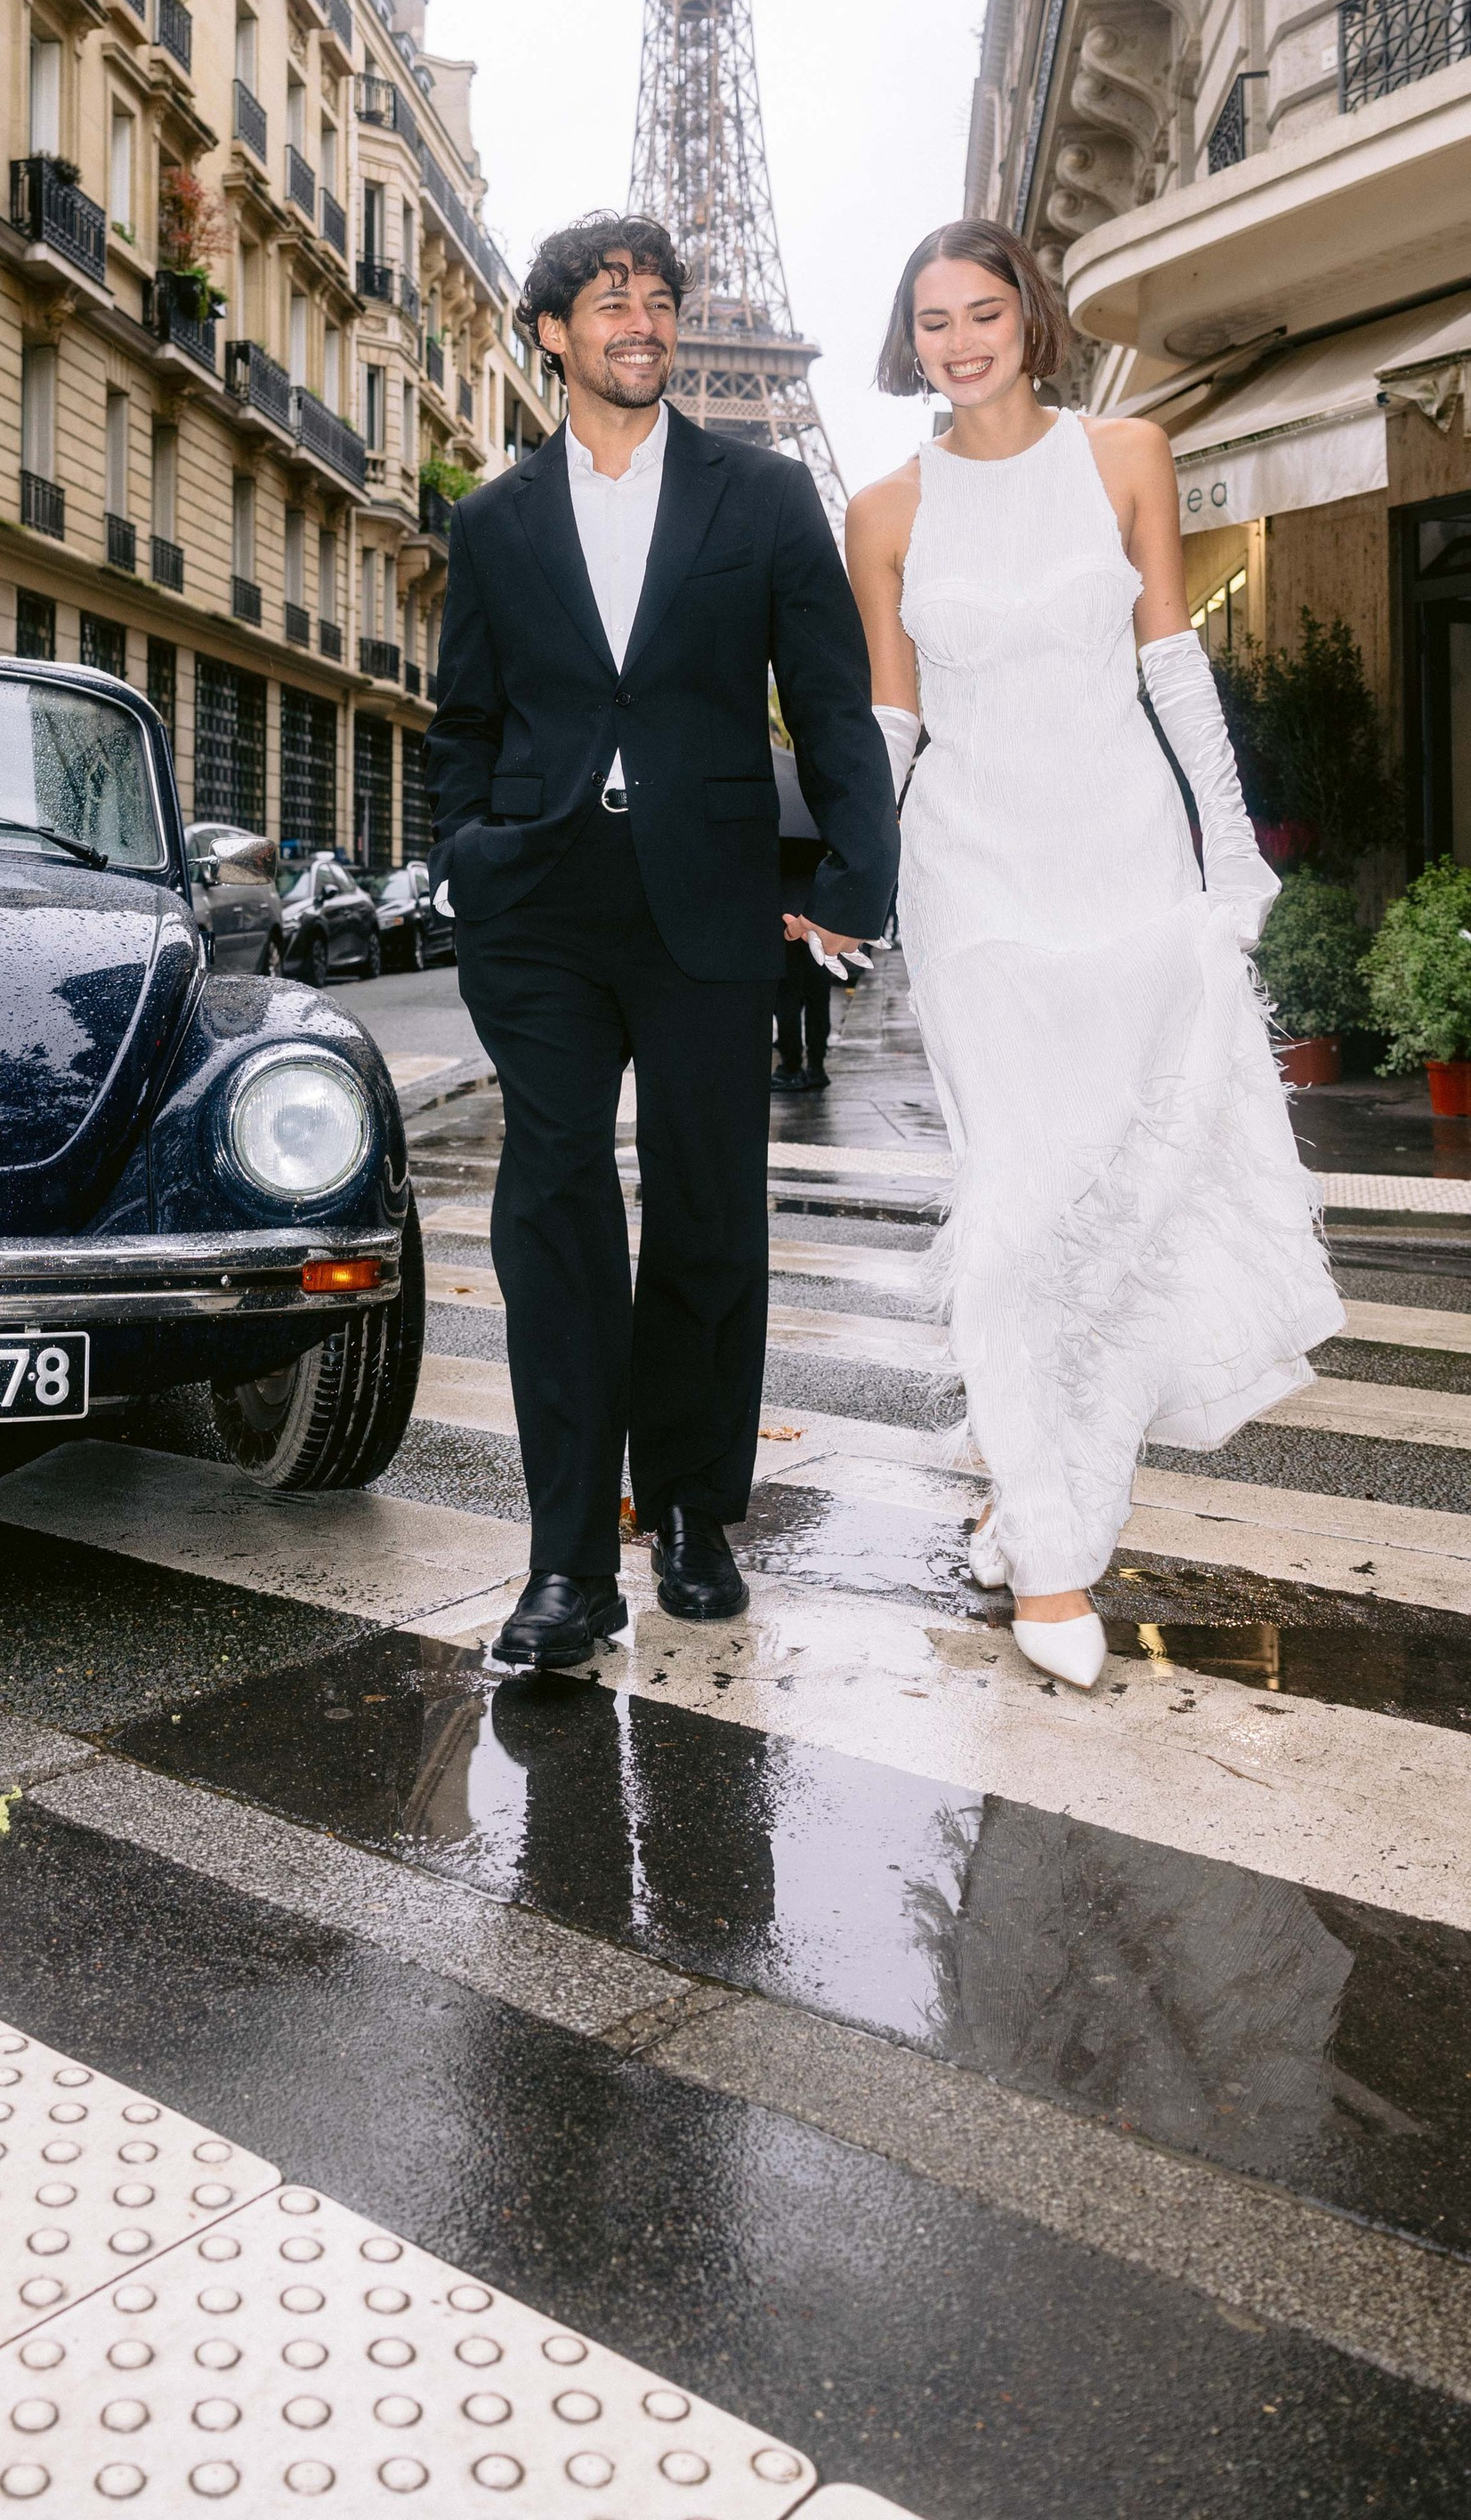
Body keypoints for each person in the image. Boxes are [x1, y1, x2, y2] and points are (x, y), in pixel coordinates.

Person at [845, 220, 1341, 1689]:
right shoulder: (880, 511)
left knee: (1126, 1202)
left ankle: (1045, 1482)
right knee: (1017, 1201)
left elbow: (1172, 668)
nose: (958, 340)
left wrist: (1231, 850)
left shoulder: (1127, 454)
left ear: (1029, 318)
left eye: (982, 311)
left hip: (1123, 859)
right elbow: (889, 725)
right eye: (931, 320)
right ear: (909, 341)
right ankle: (1055, 1560)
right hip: (974, 878)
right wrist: (849, 886)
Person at [425, 212, 899, 1671]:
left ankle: (692, 1509)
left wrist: (856, 876)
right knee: (553, 1214)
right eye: (608, 299)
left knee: (708, 1210)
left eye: (659, 298)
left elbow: (827, 703)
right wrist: (472, 855)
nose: (641, 317)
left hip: (707, 893)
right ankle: (567, 1564)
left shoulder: (760, 497)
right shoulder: (498, 522)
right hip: (547, 905)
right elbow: (466, 722)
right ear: (553, 334)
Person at [772, 738, 835, 1092]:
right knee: (817, 995)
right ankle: (817, 1064)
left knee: (787, 996)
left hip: (784, 922)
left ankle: (791, 1064)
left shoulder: (776, 827)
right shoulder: (816, 816)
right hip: (818, 917)